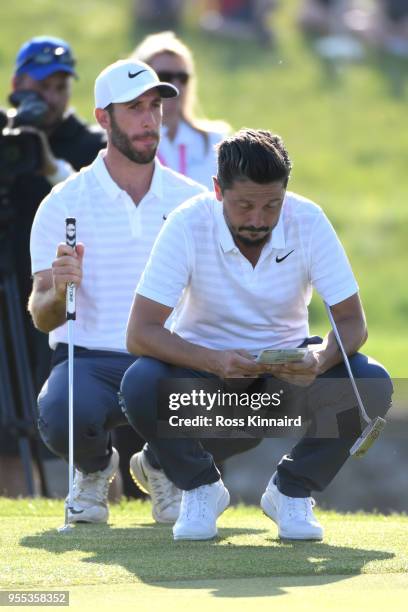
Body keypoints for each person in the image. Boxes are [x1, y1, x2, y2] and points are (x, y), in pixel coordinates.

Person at [120, 128, 393, 542]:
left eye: (272, 205)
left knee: (371, 382)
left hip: (286, 375)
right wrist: (214, 360)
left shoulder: (309, 220)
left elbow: (353, 322)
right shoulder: (187, 223)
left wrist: (320, 359)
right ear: (218, 190)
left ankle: (291, 491)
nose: (258, 219)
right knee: (140, 381)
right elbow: (140, 332)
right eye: (244, 205)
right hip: (202, 375)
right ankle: (200, 488)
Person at [28, 59, 258, 524]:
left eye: (154, 106)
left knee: (257, 407)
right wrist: (58, 291)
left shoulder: (193, 201)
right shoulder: (63, 202)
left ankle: (161, 463)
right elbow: (42, 314)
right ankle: (94, 471)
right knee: (60, 413)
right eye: (134, 108)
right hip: (88, 359)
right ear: (102, 118)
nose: (149, 119)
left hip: (170, 358)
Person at [0, 35, 106, 497]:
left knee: (81, 428)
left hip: (65, 296)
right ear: (17, 84)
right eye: (43, 85)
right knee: (7, 433)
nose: (53, 96)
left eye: (63, 87)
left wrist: (48, 164)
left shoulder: (89, 143)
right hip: (10, 298)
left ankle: (95, 501)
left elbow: (96, 199)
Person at [132, 31, 230, 190]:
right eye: (165, 77)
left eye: (182, 77)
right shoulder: (127, 142)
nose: (176, 86)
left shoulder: (215, 140)